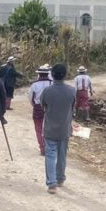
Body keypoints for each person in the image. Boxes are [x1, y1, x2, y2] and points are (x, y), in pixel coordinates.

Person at [40, 63, 77, 194]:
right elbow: (73, 106)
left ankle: (52, 184)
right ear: (65, 75)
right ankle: (60, 179)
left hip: (50, 128)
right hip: (64, 128)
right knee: (62, 155)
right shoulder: (72, 91)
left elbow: (43, 105)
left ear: (52, 75)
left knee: (50, 156)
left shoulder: (47, 91)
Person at [28, 64, 52, 156]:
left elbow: (31, 98)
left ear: (39, 74)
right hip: (50, 108)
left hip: (38, 108)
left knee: (38, 128)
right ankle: (49, 147)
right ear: (47, 74)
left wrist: (35, 105)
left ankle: (42, 148)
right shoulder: (52, 83)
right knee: (49, 128)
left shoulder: (34, 85)